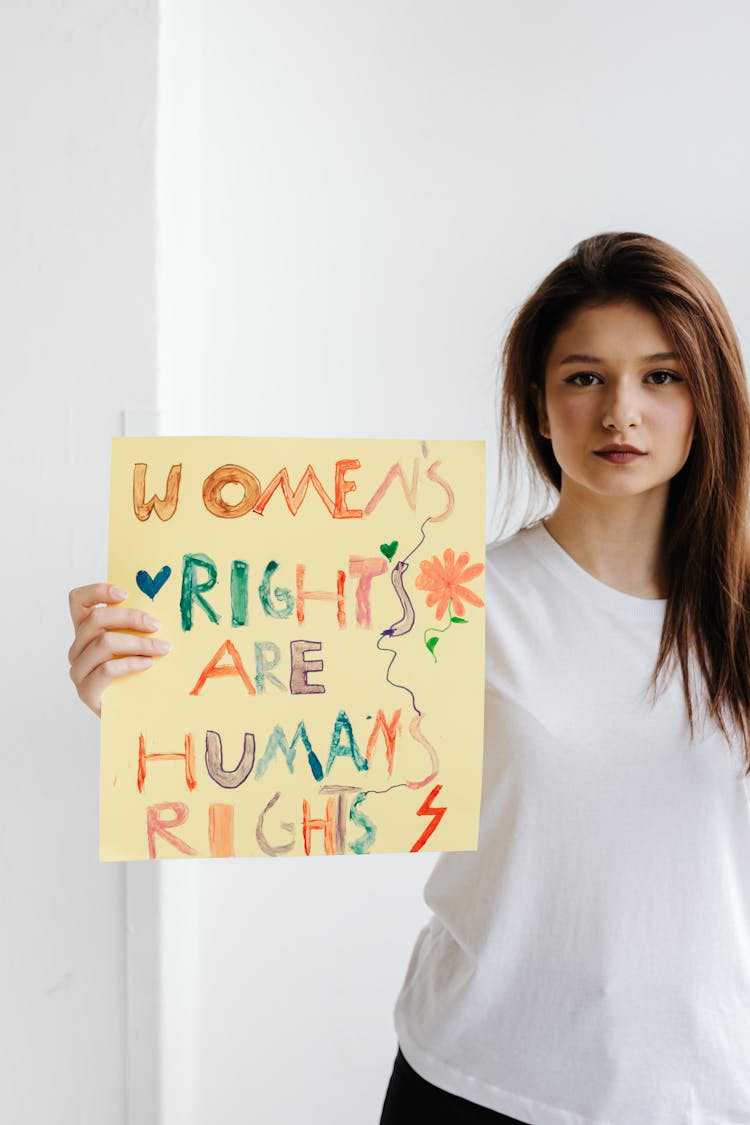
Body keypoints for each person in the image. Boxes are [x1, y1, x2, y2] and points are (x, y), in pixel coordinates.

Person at [68, 231, 750, 1124]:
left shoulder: (737, 621)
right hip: (475, 1081)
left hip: (706, 1089)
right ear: (539, 407)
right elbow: (250, 702)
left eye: (661, 376)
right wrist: (131, 690)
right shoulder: (444, 599)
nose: (622, 410)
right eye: (585, 376)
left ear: (708, 399)